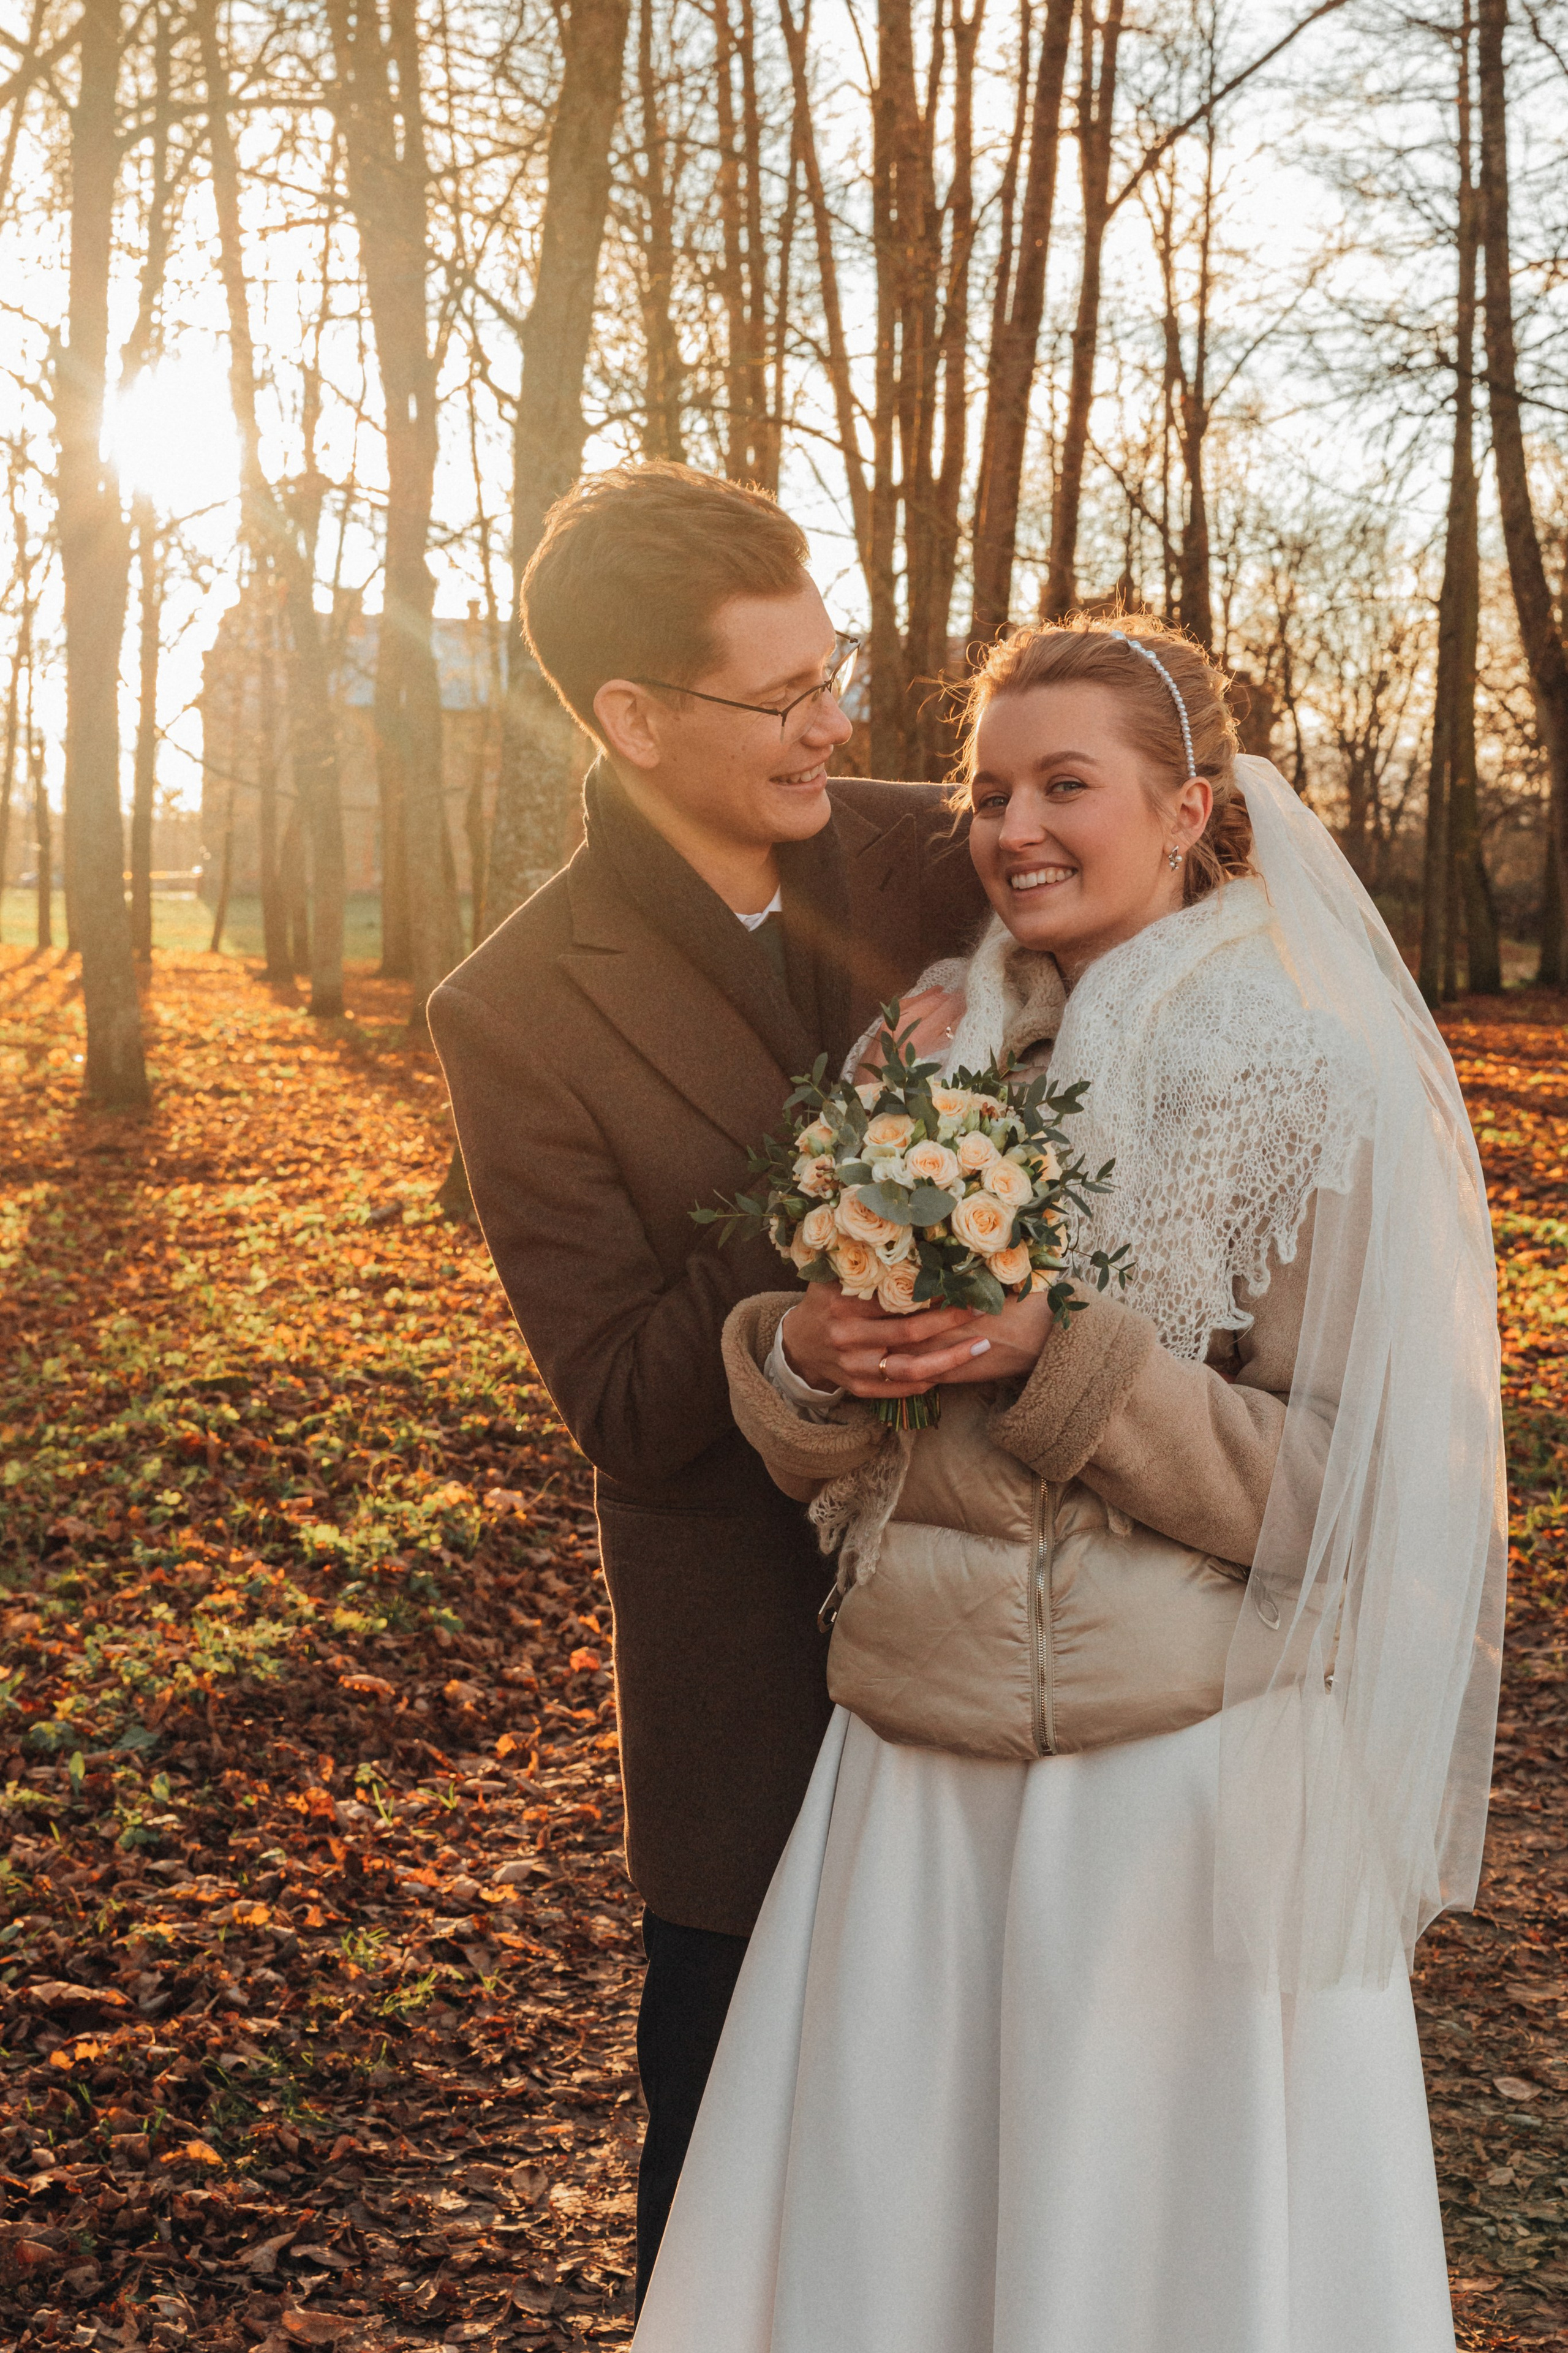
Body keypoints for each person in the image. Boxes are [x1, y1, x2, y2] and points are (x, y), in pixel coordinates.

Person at [631, 617, 1505, 2353]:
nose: (1015, 827)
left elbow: (1350, 1497)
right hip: (915, 1793)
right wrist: (809, 1358)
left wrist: (1066, 1357)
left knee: (1148, 2281)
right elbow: (854, 1462)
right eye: (988, 792)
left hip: (1172, 1802)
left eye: (1066, 785)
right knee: (899, 2274)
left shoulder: (1312, 1081)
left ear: (1192, 807)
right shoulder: (932, 1058)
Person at [428, 460, 987, 2303]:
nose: (835, 721)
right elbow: (620, 1397)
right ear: (634, 717)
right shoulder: (510, 1007)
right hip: (755, 1705)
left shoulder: (948, 852)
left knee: (998, 2182)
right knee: (731, 2217)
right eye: (782, 695)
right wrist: (837, 1175)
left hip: (1017, 1658)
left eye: (835, 672)